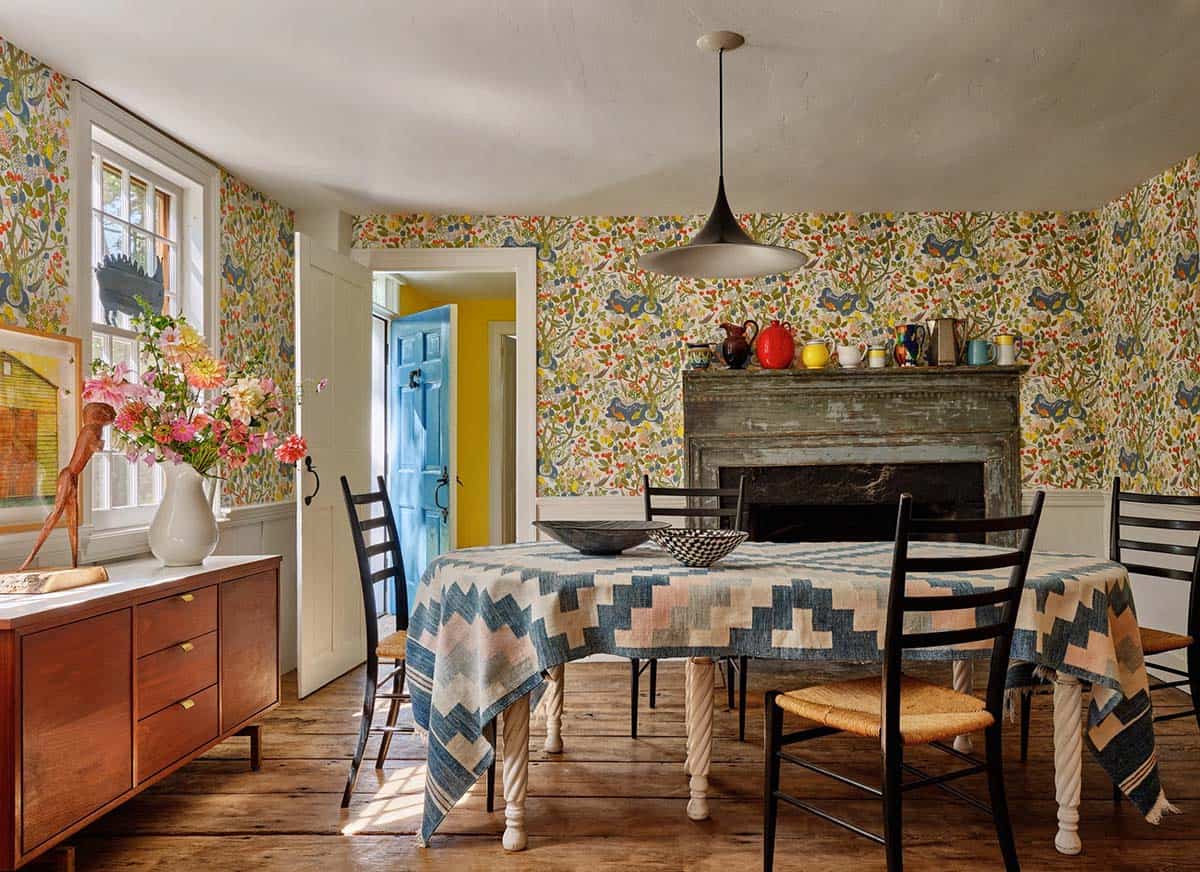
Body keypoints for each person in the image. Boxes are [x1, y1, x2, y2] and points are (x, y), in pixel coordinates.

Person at [18, 402, 117, 570]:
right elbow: (96, 448)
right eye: (109, 416)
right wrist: (101, 443)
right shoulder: (91, 430)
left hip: (73, 476)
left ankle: (74, 565)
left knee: (73, 519)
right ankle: (27, 561)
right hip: (68, 476)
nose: (110, 420)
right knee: (55, 517)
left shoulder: (92, 429)